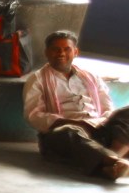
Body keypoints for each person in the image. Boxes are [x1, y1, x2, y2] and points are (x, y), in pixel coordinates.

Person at [23, 30, 129, 181]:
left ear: (76, 52)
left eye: (67, 49)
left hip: (98, 128)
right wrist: (72, 122)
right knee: (69, 131)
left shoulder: (91, 76)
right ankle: (114, 161)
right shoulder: (37, 79)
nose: (61, 53)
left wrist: (98, 123)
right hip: (65, 133)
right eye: (56, 49)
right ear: (47, 52)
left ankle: (111, 161)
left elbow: (107, 108)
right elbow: (33, 116)